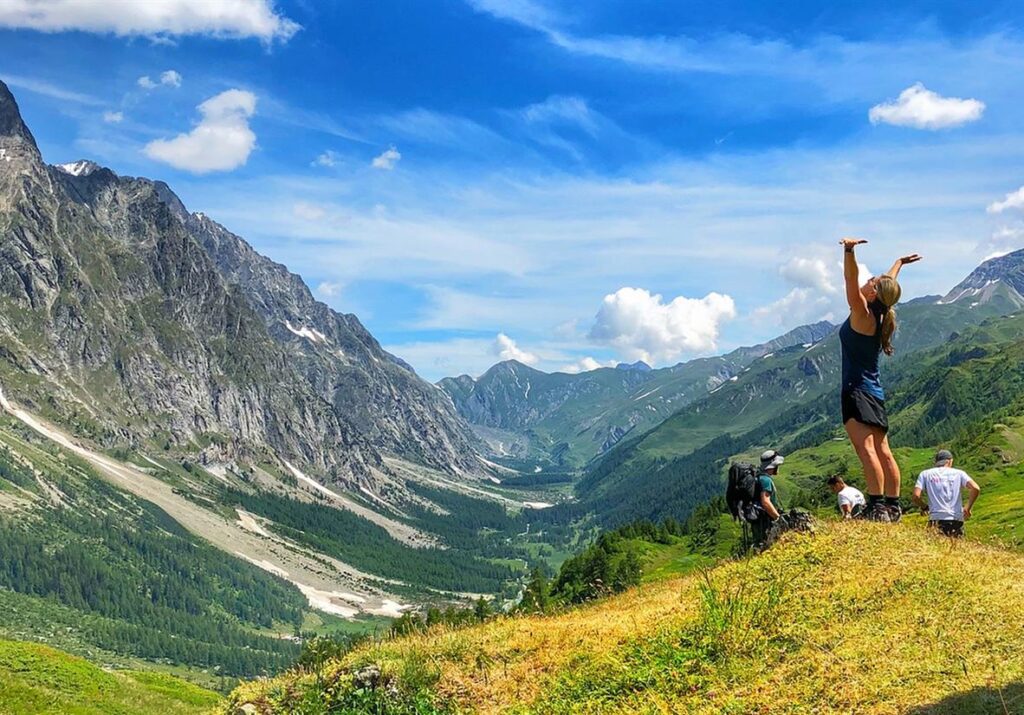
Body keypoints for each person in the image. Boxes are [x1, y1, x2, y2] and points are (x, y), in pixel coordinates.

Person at [839, 238, 921, 522]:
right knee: (884, 450)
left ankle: (875, 508)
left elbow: (850, 277)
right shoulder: (882, 312)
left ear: (872, 291)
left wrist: (849, 251)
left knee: (866, 450)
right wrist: (899, 263)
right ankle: (892, 505)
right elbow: (887, 285)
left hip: (856, 391)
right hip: (874, 392)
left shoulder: (861, 312)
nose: (866, 280)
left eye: (871, 280)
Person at [912, 449, 980, 538]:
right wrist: (967, 508)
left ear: (936, 462)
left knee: (935, 549)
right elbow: (975, 488)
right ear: (949, 461)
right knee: (956, 549)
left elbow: (915, 496)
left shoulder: (925, 474)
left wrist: (925, 507)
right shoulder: (959, 473)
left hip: (936, 518)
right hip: (956, 519)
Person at [752, 449, 785, 548]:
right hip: (765, 522)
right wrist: (778, 518)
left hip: (758, 521)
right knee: (767, 546)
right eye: (777, 465)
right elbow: (765, 502)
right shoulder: (765, 480)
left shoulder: (758, 477)